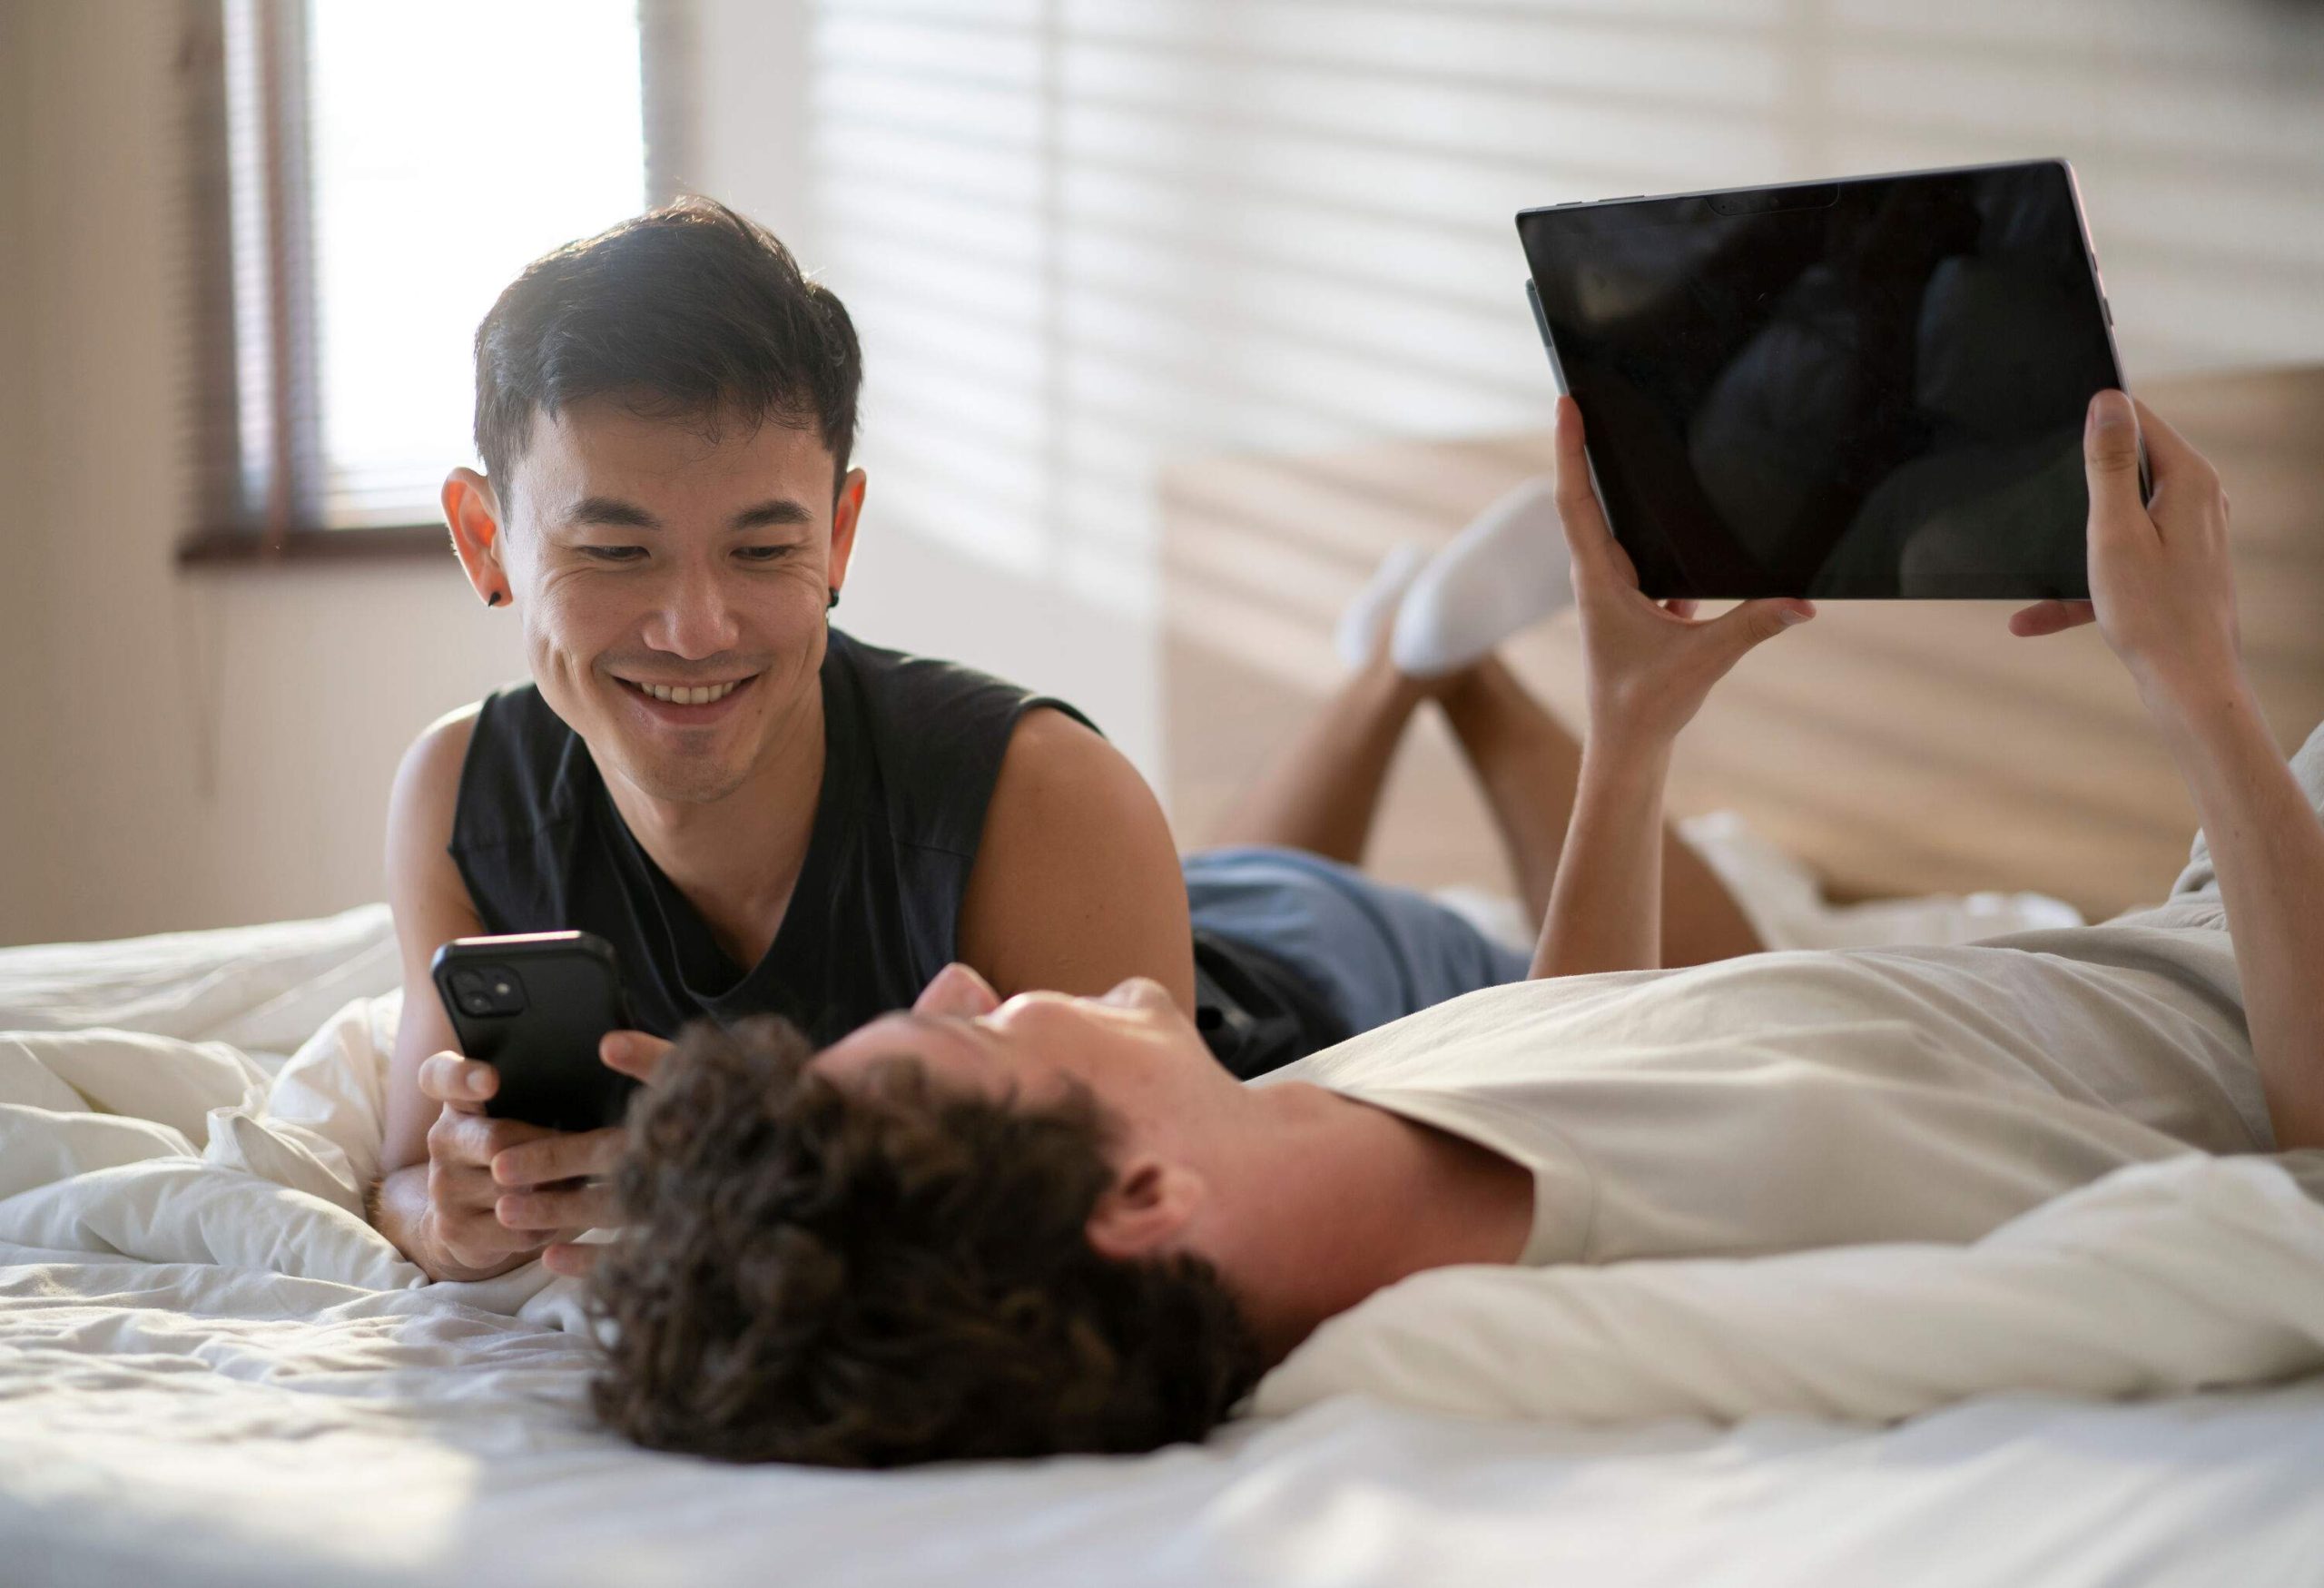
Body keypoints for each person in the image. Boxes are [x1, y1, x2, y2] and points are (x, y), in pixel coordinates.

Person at [578, 388, 2324, 1468]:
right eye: (961, 1032)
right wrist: (2196, 685)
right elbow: (2297, 1187)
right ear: (1134, 1197)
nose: (957, 974)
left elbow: (1583, 1054)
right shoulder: (1608, 1307)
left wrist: (1630, 730)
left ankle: (1438, 669)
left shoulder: (1314, 1169)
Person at [375, 200, 1779, 1284]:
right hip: (1160, 920)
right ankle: (1399, 665)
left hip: (1296, 993)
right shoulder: (460, 796)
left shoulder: (1038, 792)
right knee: (1230, 878)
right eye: (614, 547)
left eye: (764, 546)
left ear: (843, 536)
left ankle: (1452, 675)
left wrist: (1633, 722)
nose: (695, 625)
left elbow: (1555, 1083)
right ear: (486, 539)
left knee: (1737, 1003)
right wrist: (455, 1219)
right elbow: (397, 1177)